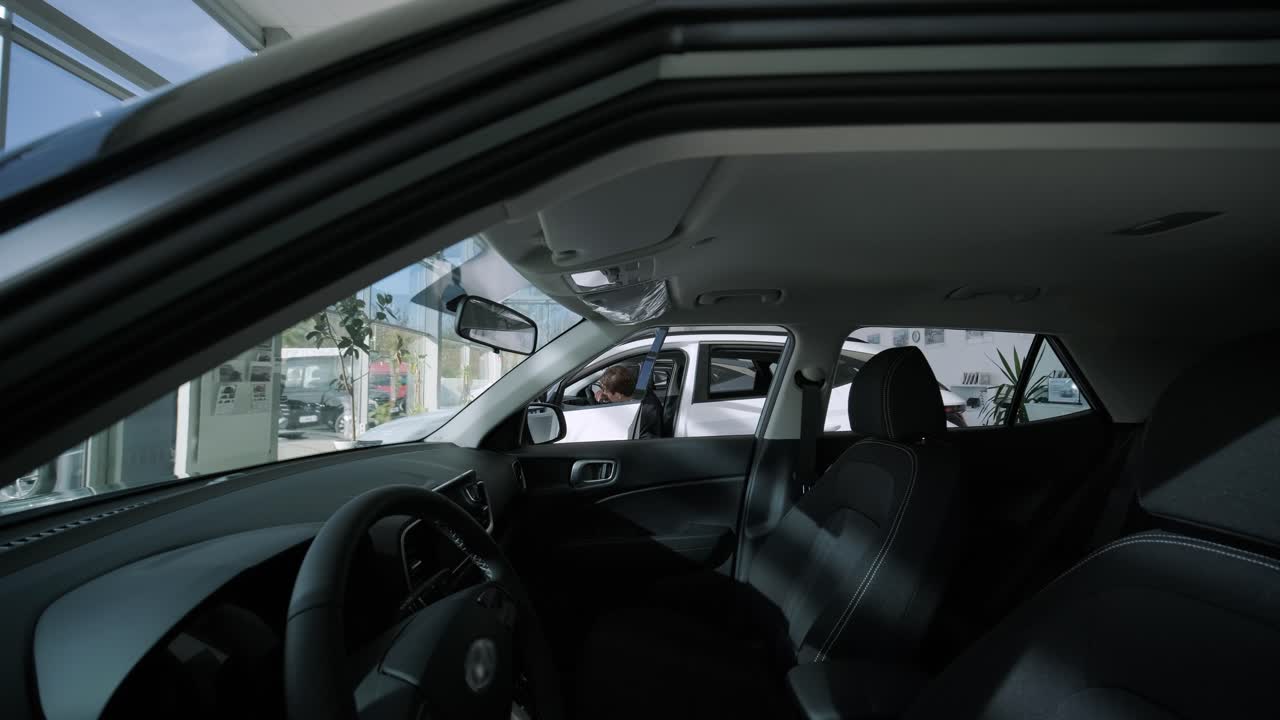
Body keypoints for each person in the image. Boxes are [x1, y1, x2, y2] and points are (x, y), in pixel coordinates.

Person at [596, 365, 665, 439]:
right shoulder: (640, 394)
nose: (604, 392)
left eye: (606, 390)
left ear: (618, 395)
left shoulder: (642, 414)